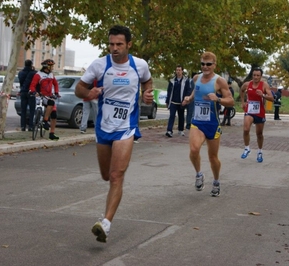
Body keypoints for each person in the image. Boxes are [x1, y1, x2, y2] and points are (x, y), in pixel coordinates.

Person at [74, 25, 153, 243]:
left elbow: (147, 81)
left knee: (117, 176)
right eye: (111, 44)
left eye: (119, 44)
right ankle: (107, 218)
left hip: (126, 127)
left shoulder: (139, 65)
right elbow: (79, 88)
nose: (114, 48)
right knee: (106, 175)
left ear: (129, 44)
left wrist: (147, 93)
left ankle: (106, 223)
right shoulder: (100, 65)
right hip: (103, 128)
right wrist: (89, 93)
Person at [182, 51, 234, 197]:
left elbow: (231, 101)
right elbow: (195, 93)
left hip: (212, 123)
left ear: (214, 65)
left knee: (213, 157)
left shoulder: (219, 81)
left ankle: (216, 181)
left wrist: (218, 99)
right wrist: (189, 98)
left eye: (208, 64)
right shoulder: (196, 78)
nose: (205, 67)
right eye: (203, 64)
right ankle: (199, 174)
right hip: (197, 122)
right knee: (194, 149)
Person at [239, 67, 274, 163]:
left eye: (258, 75)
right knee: (246, 129)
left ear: (261, 76)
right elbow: (241, 90)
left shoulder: (264, 85)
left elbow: (272, 98)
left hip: (259, 112)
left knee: (259, 134)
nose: (255, 77)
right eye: (254, 75)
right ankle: (247, 148)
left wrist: (262, 95)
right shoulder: (247, 84)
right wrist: (243, 102)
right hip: (249, 110)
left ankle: (259, 151)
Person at [29, 59, 60, 140]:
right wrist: (33, 92)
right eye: (51, 66)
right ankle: (45, 120)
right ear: (47, 67)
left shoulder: (51, 75)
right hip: (40, 95)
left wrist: (56, 93)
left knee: (54, 115)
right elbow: (32, 85)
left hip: (49, 95)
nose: (53, 67)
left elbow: (56, 84)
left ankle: (52, 133)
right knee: (50, 103)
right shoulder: (38, 75)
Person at [165, 65, 191, 137]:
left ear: (182, 71)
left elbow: (188, 91)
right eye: (177, 70)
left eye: (179, 70)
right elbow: (169, 91)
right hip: (173, 101)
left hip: (181, 102)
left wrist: (185, 99)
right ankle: (169, 130)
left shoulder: (186, 80)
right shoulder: (172, 80)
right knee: (172, 116)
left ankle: (180, 130)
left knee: (181, 116)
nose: (178, 71)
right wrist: (167, 101)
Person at [18, 59, 37, 131]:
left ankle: (23, 126)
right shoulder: (33, 73)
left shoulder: (20, 73)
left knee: (23, 110)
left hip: (23, 92)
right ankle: (31, 126)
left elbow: (21, 82)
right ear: (31, 65)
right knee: (32, 110)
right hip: (31, 92)